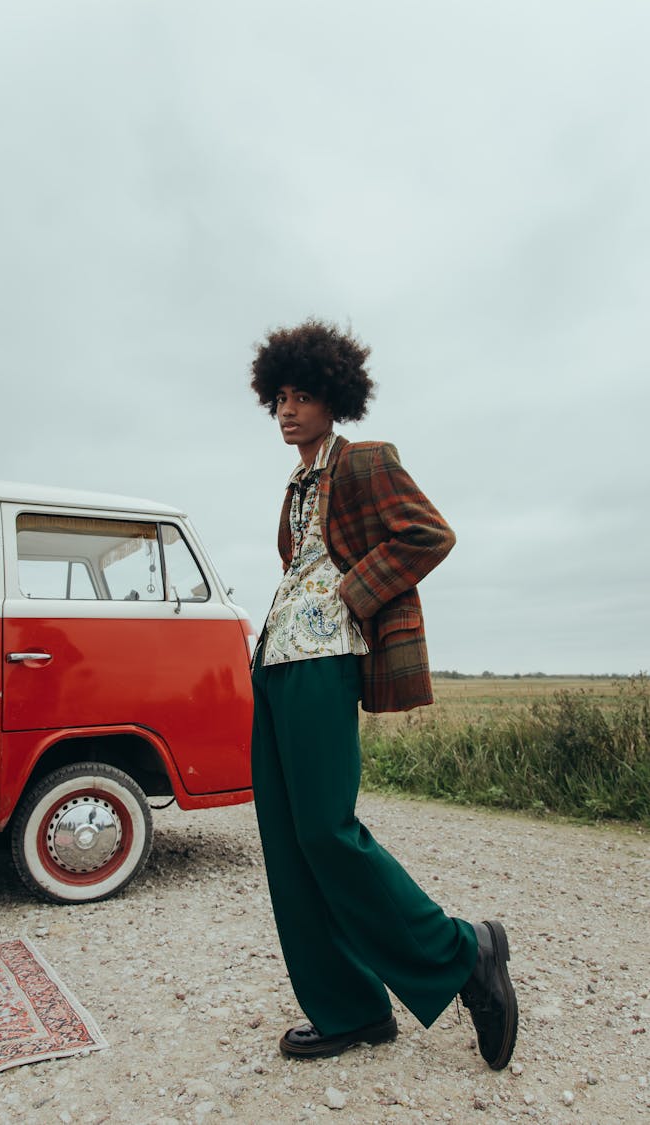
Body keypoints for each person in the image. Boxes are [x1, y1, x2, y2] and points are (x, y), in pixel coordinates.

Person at [248, 319, 518, 1068]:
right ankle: (351, 1008)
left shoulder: (363, 460)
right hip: (275, 661)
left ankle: (464, 953)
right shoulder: (297, 482)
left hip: (323, 658)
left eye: (303, 396)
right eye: (280, 398)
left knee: (328, 831)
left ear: (336, 399)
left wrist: (349, 591)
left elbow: (429, 533)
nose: (289, 411)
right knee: (290, 843)